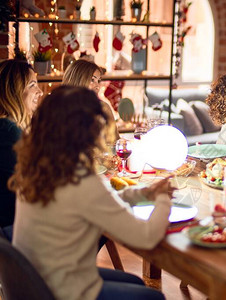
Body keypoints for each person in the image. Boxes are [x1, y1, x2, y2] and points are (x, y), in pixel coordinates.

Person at [9, 86, 171, 300]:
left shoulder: (37, 168)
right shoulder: (80, 180)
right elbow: (147, 237)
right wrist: (164, 199)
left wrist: (143, 194)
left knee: (136, 283)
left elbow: (91, 202)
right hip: (63, 291)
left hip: (33, 282)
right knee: (153, 298)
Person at [0, 59, 43, 229]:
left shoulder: (11, 128)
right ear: (14, 91)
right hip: (16, 230)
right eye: (32, 84)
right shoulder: (8, 130)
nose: (39, 91)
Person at [62, 59, 120, 142]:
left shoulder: (103, 108)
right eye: (92, 80)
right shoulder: (60, 110)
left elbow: (115, 142)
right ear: (78, 80)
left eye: (99, 81)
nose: (97, 86)